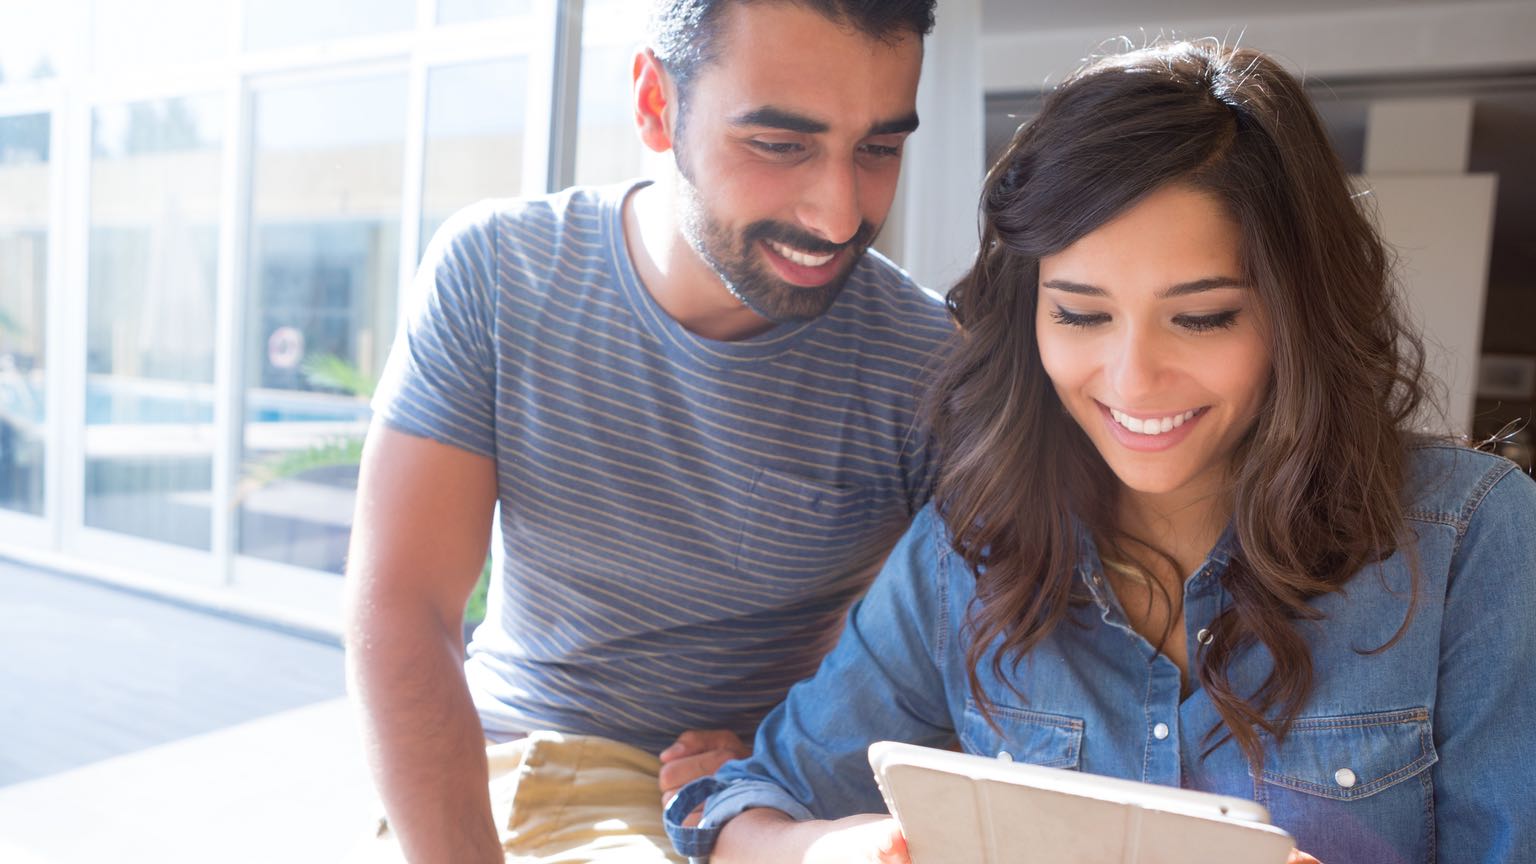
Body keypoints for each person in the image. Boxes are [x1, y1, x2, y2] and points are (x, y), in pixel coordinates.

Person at [663, 40, 1536, 864]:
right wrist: (817, 847)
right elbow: (752, 798)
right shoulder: (968, 548)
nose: (1133, 379)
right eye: (1080, 314)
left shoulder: (1471, 539)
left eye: (1203, 316)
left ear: (1298, 314)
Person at [344, 0, 952, 861]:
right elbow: (402, 607)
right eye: (780, 146)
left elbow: (981, 651)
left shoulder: (928, 365)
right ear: (656, 104)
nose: (838, 213)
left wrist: (804, 753)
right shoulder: (499, 273)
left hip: (762, 798)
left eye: (879, 149)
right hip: (530, 763)